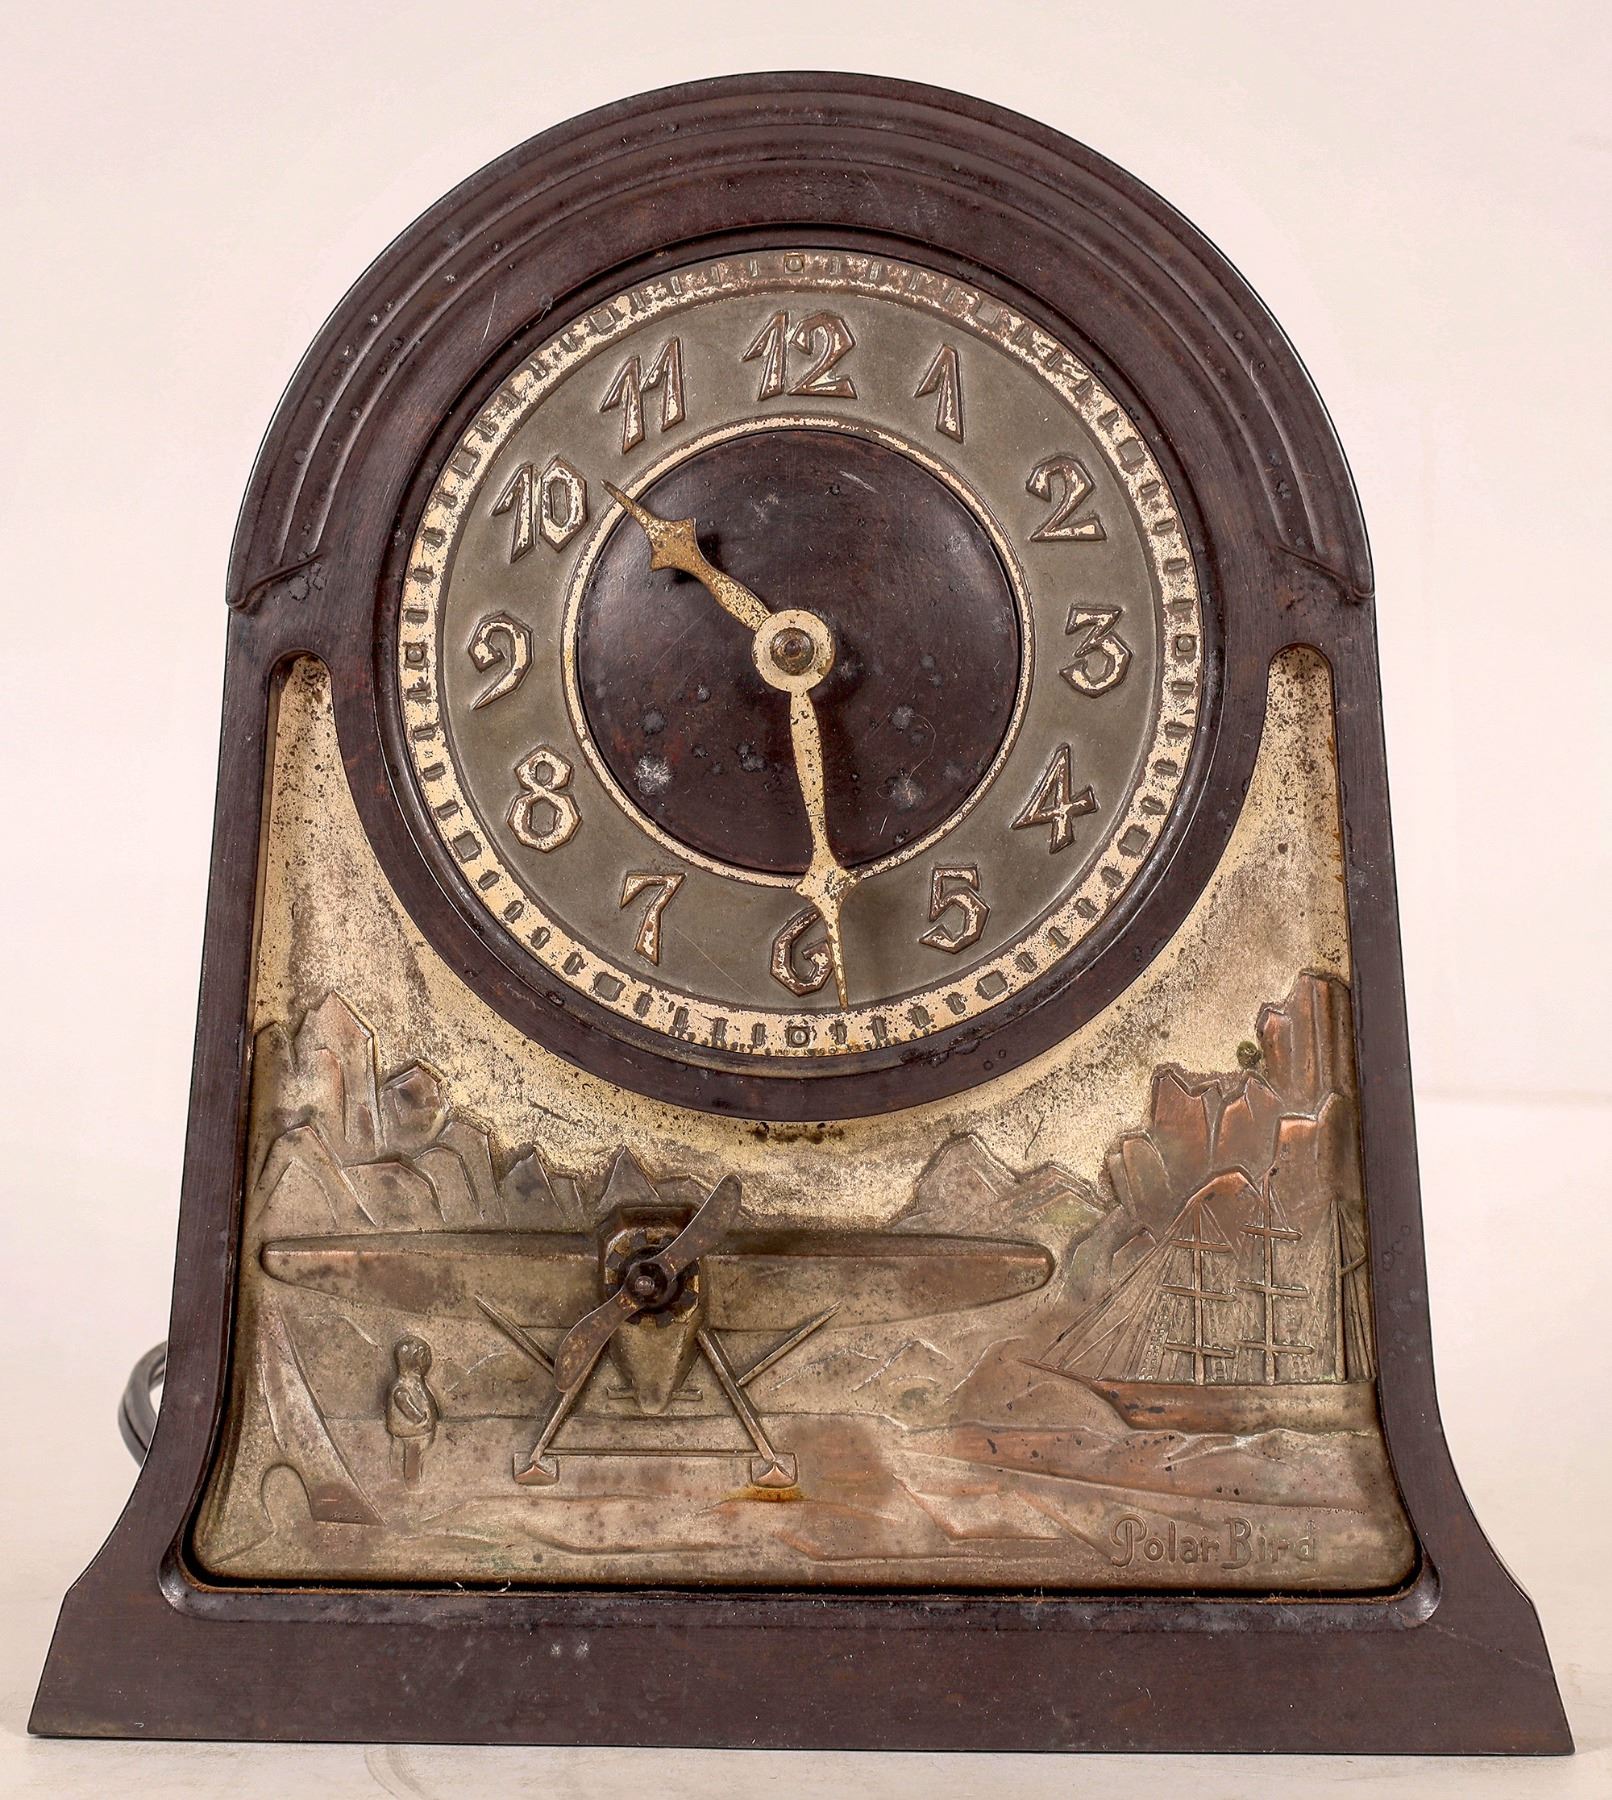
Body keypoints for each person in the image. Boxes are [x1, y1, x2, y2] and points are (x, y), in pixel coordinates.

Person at [385, 1335, 438, 1483]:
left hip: (417, 1433)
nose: (428, 1360)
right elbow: (404, 1402)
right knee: (411, 1460)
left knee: (410, 1459)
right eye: (423, 1355)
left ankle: (406, 1480)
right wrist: (420, 1419)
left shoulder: (415, 1383)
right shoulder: (402, 1387)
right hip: (411, 1436)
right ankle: (411, 1482)